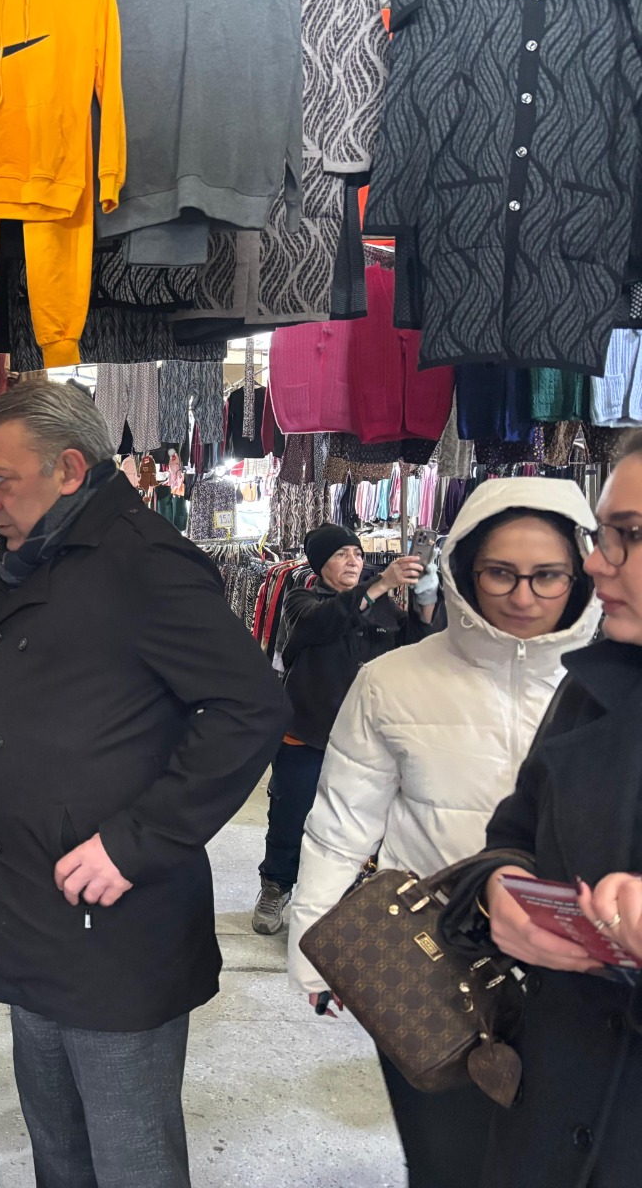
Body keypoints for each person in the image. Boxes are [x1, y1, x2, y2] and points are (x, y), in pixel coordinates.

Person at [0, 383, 287, 1188]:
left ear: (69, 469)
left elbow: (249, 708)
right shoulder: (41, 556)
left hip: (111, 927)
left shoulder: (143, 561)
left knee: (129, 1157)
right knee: (59, 1148)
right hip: (32, 909)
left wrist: (137, 843)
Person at [286, 479, 599, 1188]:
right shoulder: (392, 681)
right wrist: (319, 954)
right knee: (448, 1163)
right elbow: (340, 825)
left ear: (581, 573)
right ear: (464, 570)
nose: (523, 596)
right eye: (500, 573)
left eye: (548, 575)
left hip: (585, 979)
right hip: (430, 969)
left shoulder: (616, 688)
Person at [435, 435, 642, 1188]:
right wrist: (501, 891)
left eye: (629, 534)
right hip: (552, 1104)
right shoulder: (592, 690)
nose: (598, 564)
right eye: (601, 535)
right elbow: (513, 834)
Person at [251, 525, 435, 935]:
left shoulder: (383, 608)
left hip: (366, 741)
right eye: (341, 554)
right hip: (307, 732)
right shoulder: (301, 600)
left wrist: (425, 601)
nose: (354, 561)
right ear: (320, 565)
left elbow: (418, 648)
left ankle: (342, 894)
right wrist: (382, 582)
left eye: (357, 553)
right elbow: (327, 621)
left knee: (357, 822)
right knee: (290, 814)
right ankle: (276, 885)